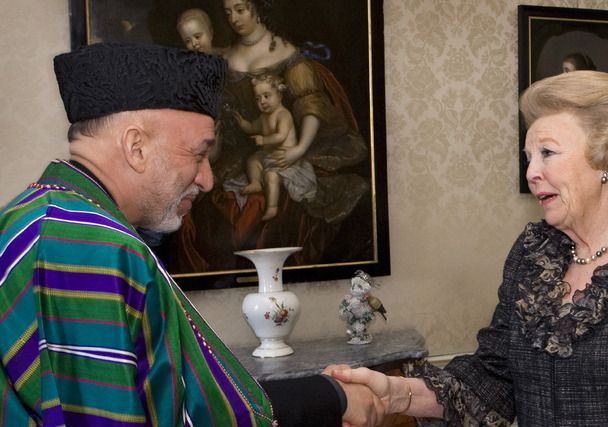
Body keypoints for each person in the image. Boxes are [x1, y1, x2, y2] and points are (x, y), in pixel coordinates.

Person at [0, 42, 385, 427]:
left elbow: (180, 401)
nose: (208, 179)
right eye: (199, 154)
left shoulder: (34, 218)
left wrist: (326, 397)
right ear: (136, 147)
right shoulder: (95, 248)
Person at [327, 70, 608, 426]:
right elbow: (494, 379)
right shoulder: (534, 255)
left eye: (547, 152)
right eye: (529, 157)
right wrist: (396, 394)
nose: (531, 172)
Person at [168, 0, 370, 271]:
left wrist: (298, 149)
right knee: (213, 207)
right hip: (241, 153)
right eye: (228, 13)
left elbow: (309, 103)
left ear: (258, 8)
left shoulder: (288, 55)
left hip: (289, 147)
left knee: (275, 203)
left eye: (240, 10)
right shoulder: (224, 57)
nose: (234, 18)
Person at [232, 74, 316, 220]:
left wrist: (264, 140)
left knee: (271, 176)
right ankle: (256, 183)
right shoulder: (263, 117)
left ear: (280, 95)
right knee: (252, 160)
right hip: (267, 156)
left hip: (284, 160)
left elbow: (280, 136)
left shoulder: (283, 115)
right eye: (258, 98)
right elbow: (252, 127)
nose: (262, 102)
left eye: (266, 96)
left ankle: (272, 207)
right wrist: (243, 124)